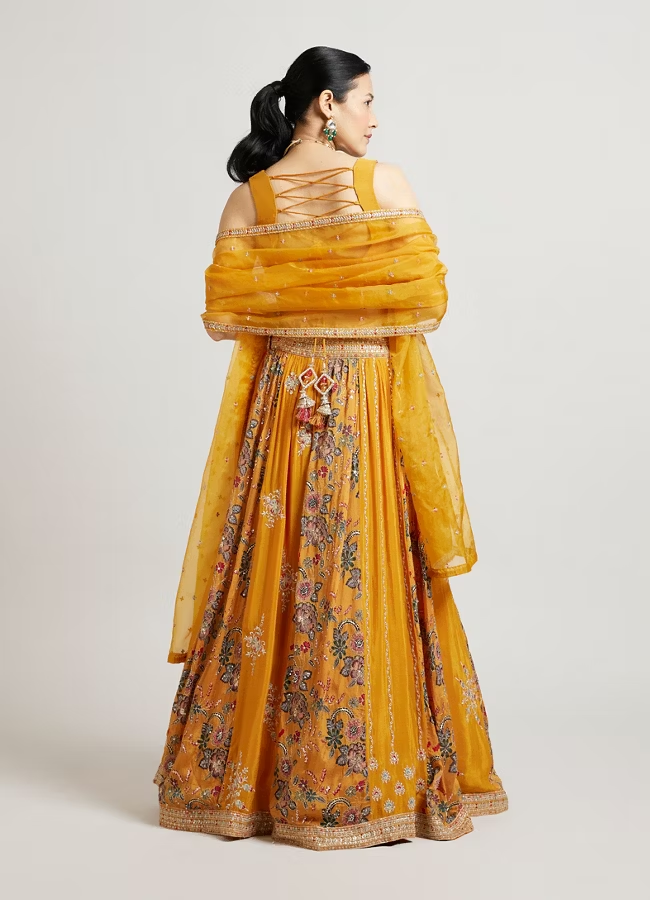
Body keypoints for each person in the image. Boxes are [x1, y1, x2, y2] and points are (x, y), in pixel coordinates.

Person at [153, 46, 508, 851]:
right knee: (366, 562)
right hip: (363, 403)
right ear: (326, 103)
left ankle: (247, 784)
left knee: (269, 566)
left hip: (284, 403)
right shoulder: (384, 186)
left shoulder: (249, 201)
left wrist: (301, 303)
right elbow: (425, 303)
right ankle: (369, 774)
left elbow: (227, 318)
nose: (374, 119)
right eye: (366, 101)